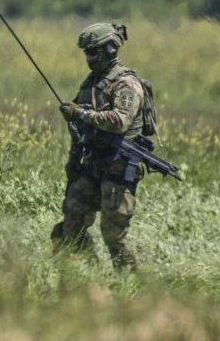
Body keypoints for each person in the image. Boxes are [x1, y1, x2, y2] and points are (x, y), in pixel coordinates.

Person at [53, 23, 150, 271]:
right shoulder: (91, 84)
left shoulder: (127, 85)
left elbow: (120, 121)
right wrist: (73, 160)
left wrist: (82, 114)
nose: (88, 58)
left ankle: (132, 284)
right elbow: (79, 126)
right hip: (93, 166)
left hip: (118, 170)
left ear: (110, 49)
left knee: (113, 236)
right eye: (86, 52)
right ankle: (90, 273)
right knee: (71, 219)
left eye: (93, 52)